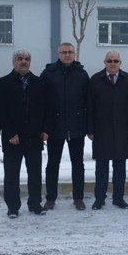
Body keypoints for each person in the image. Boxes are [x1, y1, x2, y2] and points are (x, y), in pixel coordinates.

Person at [0, 49, 47, 218]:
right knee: (11, 174)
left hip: (34, 136)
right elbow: (0, 110)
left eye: (26, 59)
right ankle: (13, 206)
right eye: (19, 58)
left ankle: (35, 204)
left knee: (35, 173)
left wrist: (45, 130)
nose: (23, 61)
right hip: (13, 137)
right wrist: (9, 133)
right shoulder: (3, 83)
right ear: (13, 61)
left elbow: (46, 109)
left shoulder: (39, 83)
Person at [40, 42, 90, 211]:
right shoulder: (48, 74)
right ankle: (50, 198)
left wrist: (88, 126)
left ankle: (78, 198)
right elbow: (42, 102)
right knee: (52, 165)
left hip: (76, 126)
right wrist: (44, 128)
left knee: (78, 164)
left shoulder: (82, 74)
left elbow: (88, 101)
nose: (67, 55)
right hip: (54, 127)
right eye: (64, 52)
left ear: (74, 54)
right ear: (58, 54)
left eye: (70, 52)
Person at [88, 51, 128, 210]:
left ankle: (118, 198)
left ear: (120, 63)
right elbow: (90, 106)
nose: (112, 63)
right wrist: (90, 129)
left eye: (115, 61)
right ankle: (99, 198)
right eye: (109, 61)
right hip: (101, 130)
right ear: (104, 62)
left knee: (120, 167)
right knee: (101, 168)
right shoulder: (95, 80)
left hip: (122, 130)